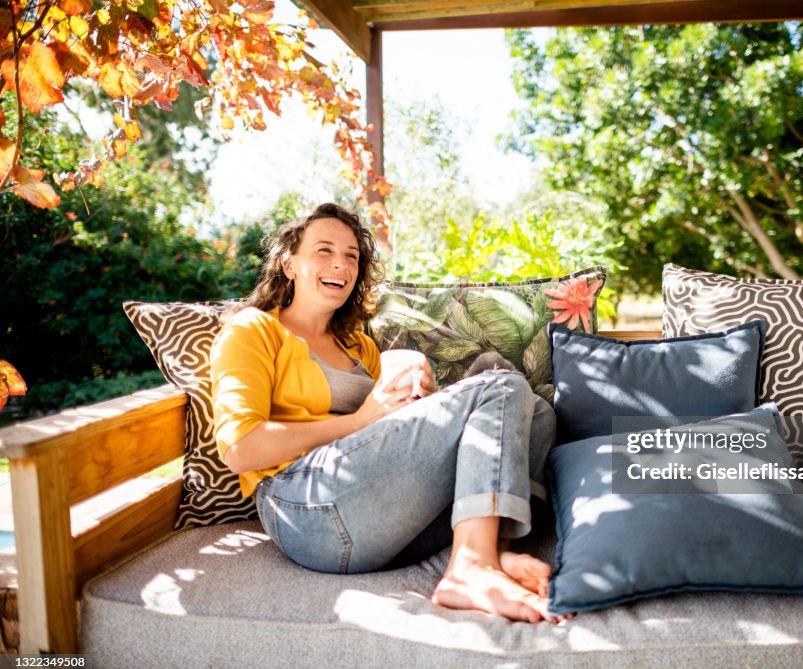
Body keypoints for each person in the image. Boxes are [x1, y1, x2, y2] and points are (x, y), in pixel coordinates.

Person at [210, 202, 560, 623]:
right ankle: (471, 568)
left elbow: (387, 437)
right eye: (324, 250)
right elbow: (241, 448)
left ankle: (492, 551)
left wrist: (425, 402)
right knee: (499, 385)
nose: (340, 263)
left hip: (384, 521)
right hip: (306, 509)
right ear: (289, 264)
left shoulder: (360, 347)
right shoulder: (253, 329)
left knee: (535, 410)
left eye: (351, 255)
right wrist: (359, 420)